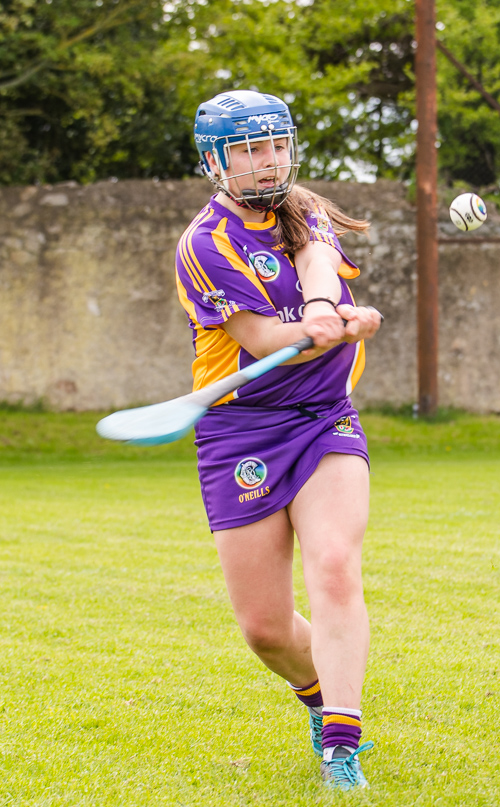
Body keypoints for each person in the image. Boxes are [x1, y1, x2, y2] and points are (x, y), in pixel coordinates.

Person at [174, 89, 382, 788]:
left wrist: (327, 311)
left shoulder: (307, 210)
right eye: (249, 150)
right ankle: (322, 701)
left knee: (332, 564)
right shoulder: (203, 245)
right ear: (215, 161)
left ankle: (342, 742)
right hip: (240, 428)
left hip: (323, 414)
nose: (268, 163)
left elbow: (318, 265)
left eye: (276, 146)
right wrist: (310, 329)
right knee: (264, 627)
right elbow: (260, 337)